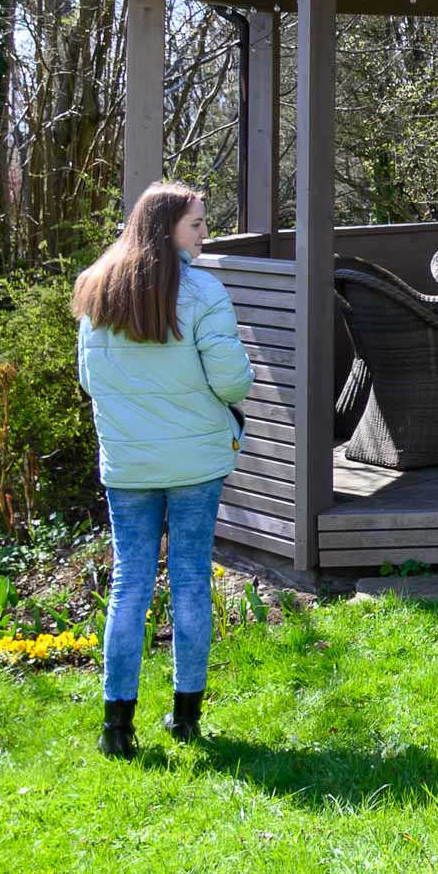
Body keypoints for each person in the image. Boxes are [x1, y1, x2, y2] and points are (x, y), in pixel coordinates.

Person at [73, 182, 254, 758]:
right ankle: (186, 719)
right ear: (166, 226)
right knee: (190, 580)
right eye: (196, 223)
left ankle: (116, 728)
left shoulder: (97, 287)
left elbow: (89, 379)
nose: (205, 234)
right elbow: (233, 381)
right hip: (196, 460)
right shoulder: (202, 290)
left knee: (129, 584)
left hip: (128, 462)